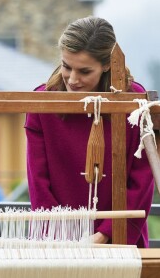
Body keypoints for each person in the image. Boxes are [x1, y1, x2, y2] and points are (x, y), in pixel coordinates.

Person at [24, 16, 154, 247]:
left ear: (106, 65)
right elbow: (38, 184)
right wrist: (61, 238)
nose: (72, 80)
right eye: (66, 66)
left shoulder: (134, 103)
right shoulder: (42, 102)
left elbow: (141, 182)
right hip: (57, 241)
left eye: (84, 71)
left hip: (119, 240)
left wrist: (104, 234)